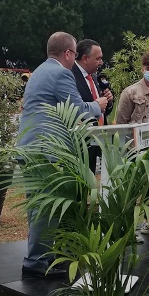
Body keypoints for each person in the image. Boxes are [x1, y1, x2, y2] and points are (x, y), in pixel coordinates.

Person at [18, 31, 103, 278]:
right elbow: (78, 110)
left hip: (32, 147)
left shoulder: (39, 71)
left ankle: (42, 256)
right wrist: (98, 105)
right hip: (46, 150)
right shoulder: (61, 74)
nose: (74, 59)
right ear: (67, 53)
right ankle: (36, 261)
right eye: (74, 54)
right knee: (45, 208)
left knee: (38, 206)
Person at [116, 52, 149, 235]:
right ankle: (128, 226)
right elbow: (121, 122)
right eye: (148, 68)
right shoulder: (130, 92)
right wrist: (124, 149)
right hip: (136, 147)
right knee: (132, 187)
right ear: (142, 69)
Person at [71, 39, 114, 172]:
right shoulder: (69, 76)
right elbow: (74, 109)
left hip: (100, 138)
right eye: (98, 58)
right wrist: (97, 104)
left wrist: (108, 101)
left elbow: (101, 110)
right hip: (82, 142)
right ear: (85, 58)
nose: (101, 62)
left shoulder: (94, 77)